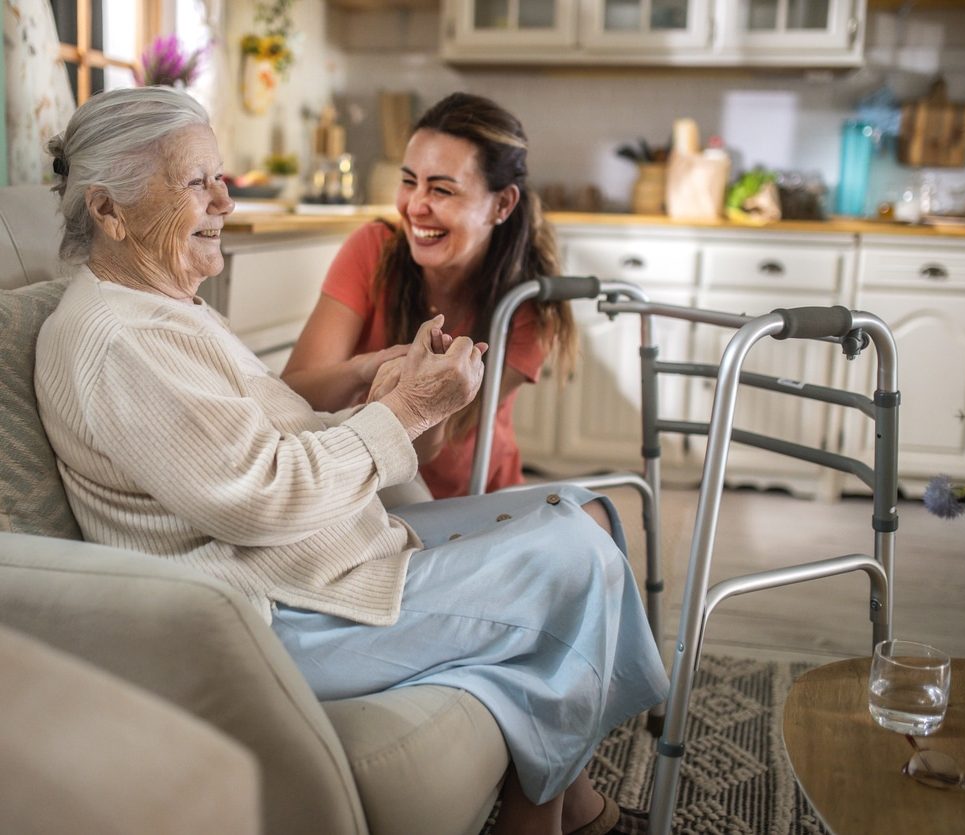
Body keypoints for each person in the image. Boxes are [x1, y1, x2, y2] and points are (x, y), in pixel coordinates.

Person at [35, 86, 668, 835]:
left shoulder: (170, 310)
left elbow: (269, 446)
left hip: (320, 566)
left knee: (569, 514)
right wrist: (402, 410)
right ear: (109, 210)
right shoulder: (121, 340)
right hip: (281, 613)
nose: (226, 201)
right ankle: (565, 818)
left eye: (220, 176)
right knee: (570, 560)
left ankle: (560, 817)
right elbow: (260, 494)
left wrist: (390, 404)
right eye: (197, 181)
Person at [282, 92, 576, 499]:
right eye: (409, 181)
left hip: (465, 498)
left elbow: (425, 449)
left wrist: (418, 397)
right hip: (365, 488)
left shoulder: (524, 303)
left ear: (502, 204)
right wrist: (364, 369)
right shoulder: (373, 249)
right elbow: (294, 395)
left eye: (442, 190)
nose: (415, 206)